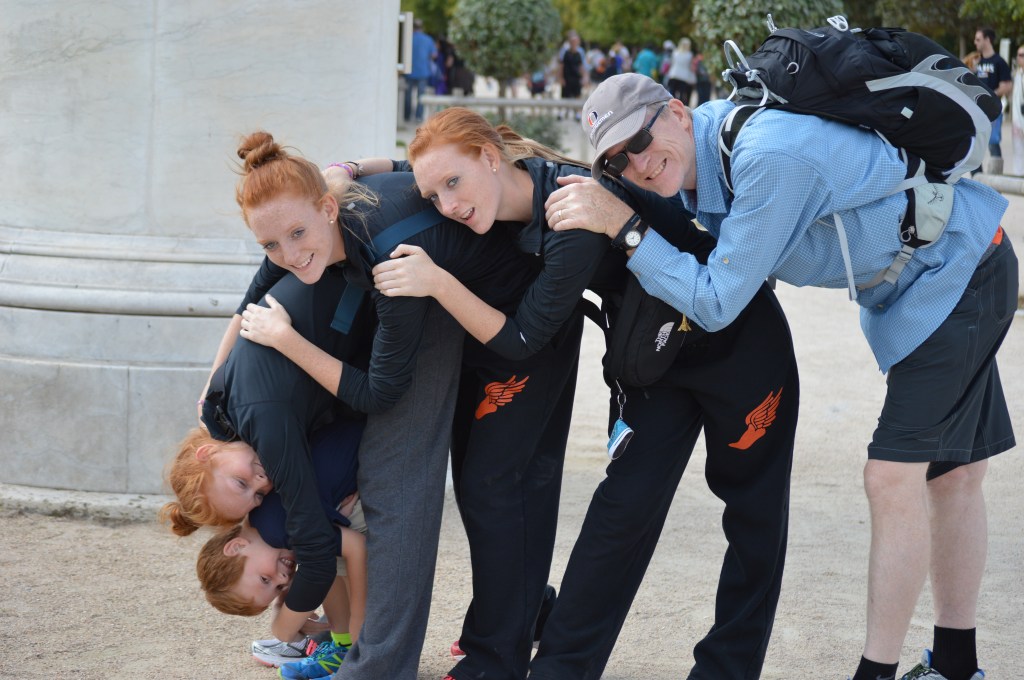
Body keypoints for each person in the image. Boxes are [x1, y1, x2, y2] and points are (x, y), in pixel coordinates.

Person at [555, 72, 1016, 680]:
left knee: (890, 478)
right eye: (616, 161)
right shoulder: (706, 155)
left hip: (957, 272)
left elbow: (716, 301)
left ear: (676, 113)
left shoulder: (766, 156)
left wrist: (625, 227)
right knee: (954, 475)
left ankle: (877, 673)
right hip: (937, 270)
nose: (636, 165)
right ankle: (957, 666)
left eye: (639, 141)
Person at [369, 106, 800, 680]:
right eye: (435, 194)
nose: (447, 205)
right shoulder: (507, 184)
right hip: (658, 363)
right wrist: (352, 169)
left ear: (490, 157)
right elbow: (422, 168)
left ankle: (726, 671)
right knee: (619, 515)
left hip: (742, 346)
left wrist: (437, 282)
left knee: (754, 519)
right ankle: (560, 670)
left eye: (454, 183)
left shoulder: (568, 209)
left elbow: (523, 339)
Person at [228, 132, 538, 680]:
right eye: (271, 244)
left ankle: (379, 666)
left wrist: (286, 341)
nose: (289, 254)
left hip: (505, 313)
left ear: (328, 208)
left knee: (402, 481)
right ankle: (524, 613)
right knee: (464, 483)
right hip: (444, 289)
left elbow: (380, 393)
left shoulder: (388, 259)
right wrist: (211, 388)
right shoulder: (313, 221)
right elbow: (254, 295)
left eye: (298, 234)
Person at [973, 27, 1012, 174]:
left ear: (987, 39)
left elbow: (1007, 86)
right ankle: (977, 178)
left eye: (978, 39)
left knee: (993, 142)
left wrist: (989, 95)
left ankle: (996, 178)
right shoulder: (977, 62)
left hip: (993, 110)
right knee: (974, 144)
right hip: (976, 110)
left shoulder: (999, 62)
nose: (975, 42)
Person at [404, 18, 436, 123]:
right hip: (423, 71)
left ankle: (406, 116)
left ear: (413, 27)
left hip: (409, 71)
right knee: (421, 96)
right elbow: (434, 55)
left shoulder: (408, 38)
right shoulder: (428, 39)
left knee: (407, 95)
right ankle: (418, 117)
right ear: (422, 27)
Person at [665, 37, 696, 105]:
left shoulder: (675, 53)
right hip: (684, 77)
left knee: (672, 93)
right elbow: (690, 67)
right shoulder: (689, 54)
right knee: (681, 95)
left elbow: (672, 63)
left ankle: (671, 106)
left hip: (674, 74)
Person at [558, 30, 586, 100]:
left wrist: (584, 77)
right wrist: (561, 78)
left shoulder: (580, 52)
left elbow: (581, 66)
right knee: (566, 98)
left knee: (577, 98)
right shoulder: (565, 52)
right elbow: (561, 65)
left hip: (576, 79)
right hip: (567, 79)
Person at [1011, 46, 1024, 176]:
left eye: (1022, 55)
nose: (1019, 58)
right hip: (1017, 120)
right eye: (1018, 55)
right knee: (1018, 152)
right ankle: (1018, 176)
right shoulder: (1017, 74)